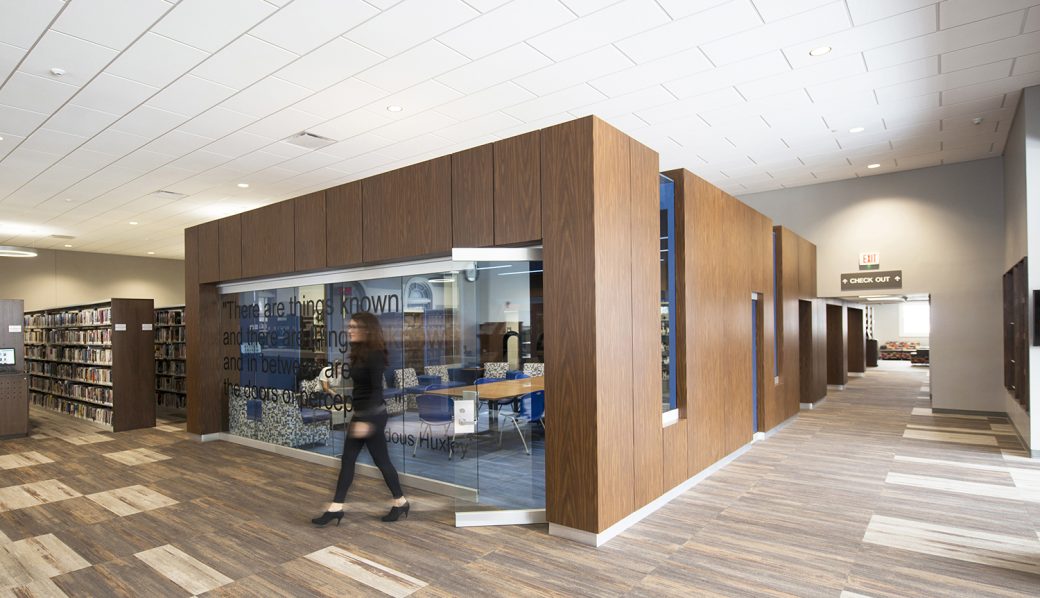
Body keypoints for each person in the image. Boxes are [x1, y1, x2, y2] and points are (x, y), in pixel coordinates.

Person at [312, 312, 408, 526]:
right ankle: (337, 507)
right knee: (351, 460)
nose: (350, 329)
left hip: (371, 416)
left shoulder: (373, 354)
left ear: (367, 330)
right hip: (363, 414)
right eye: (350, 326)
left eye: (355, 326)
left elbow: (375, 389)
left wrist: (367, 421)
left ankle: (399, 501)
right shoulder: (360, 352)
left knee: (379, 461)